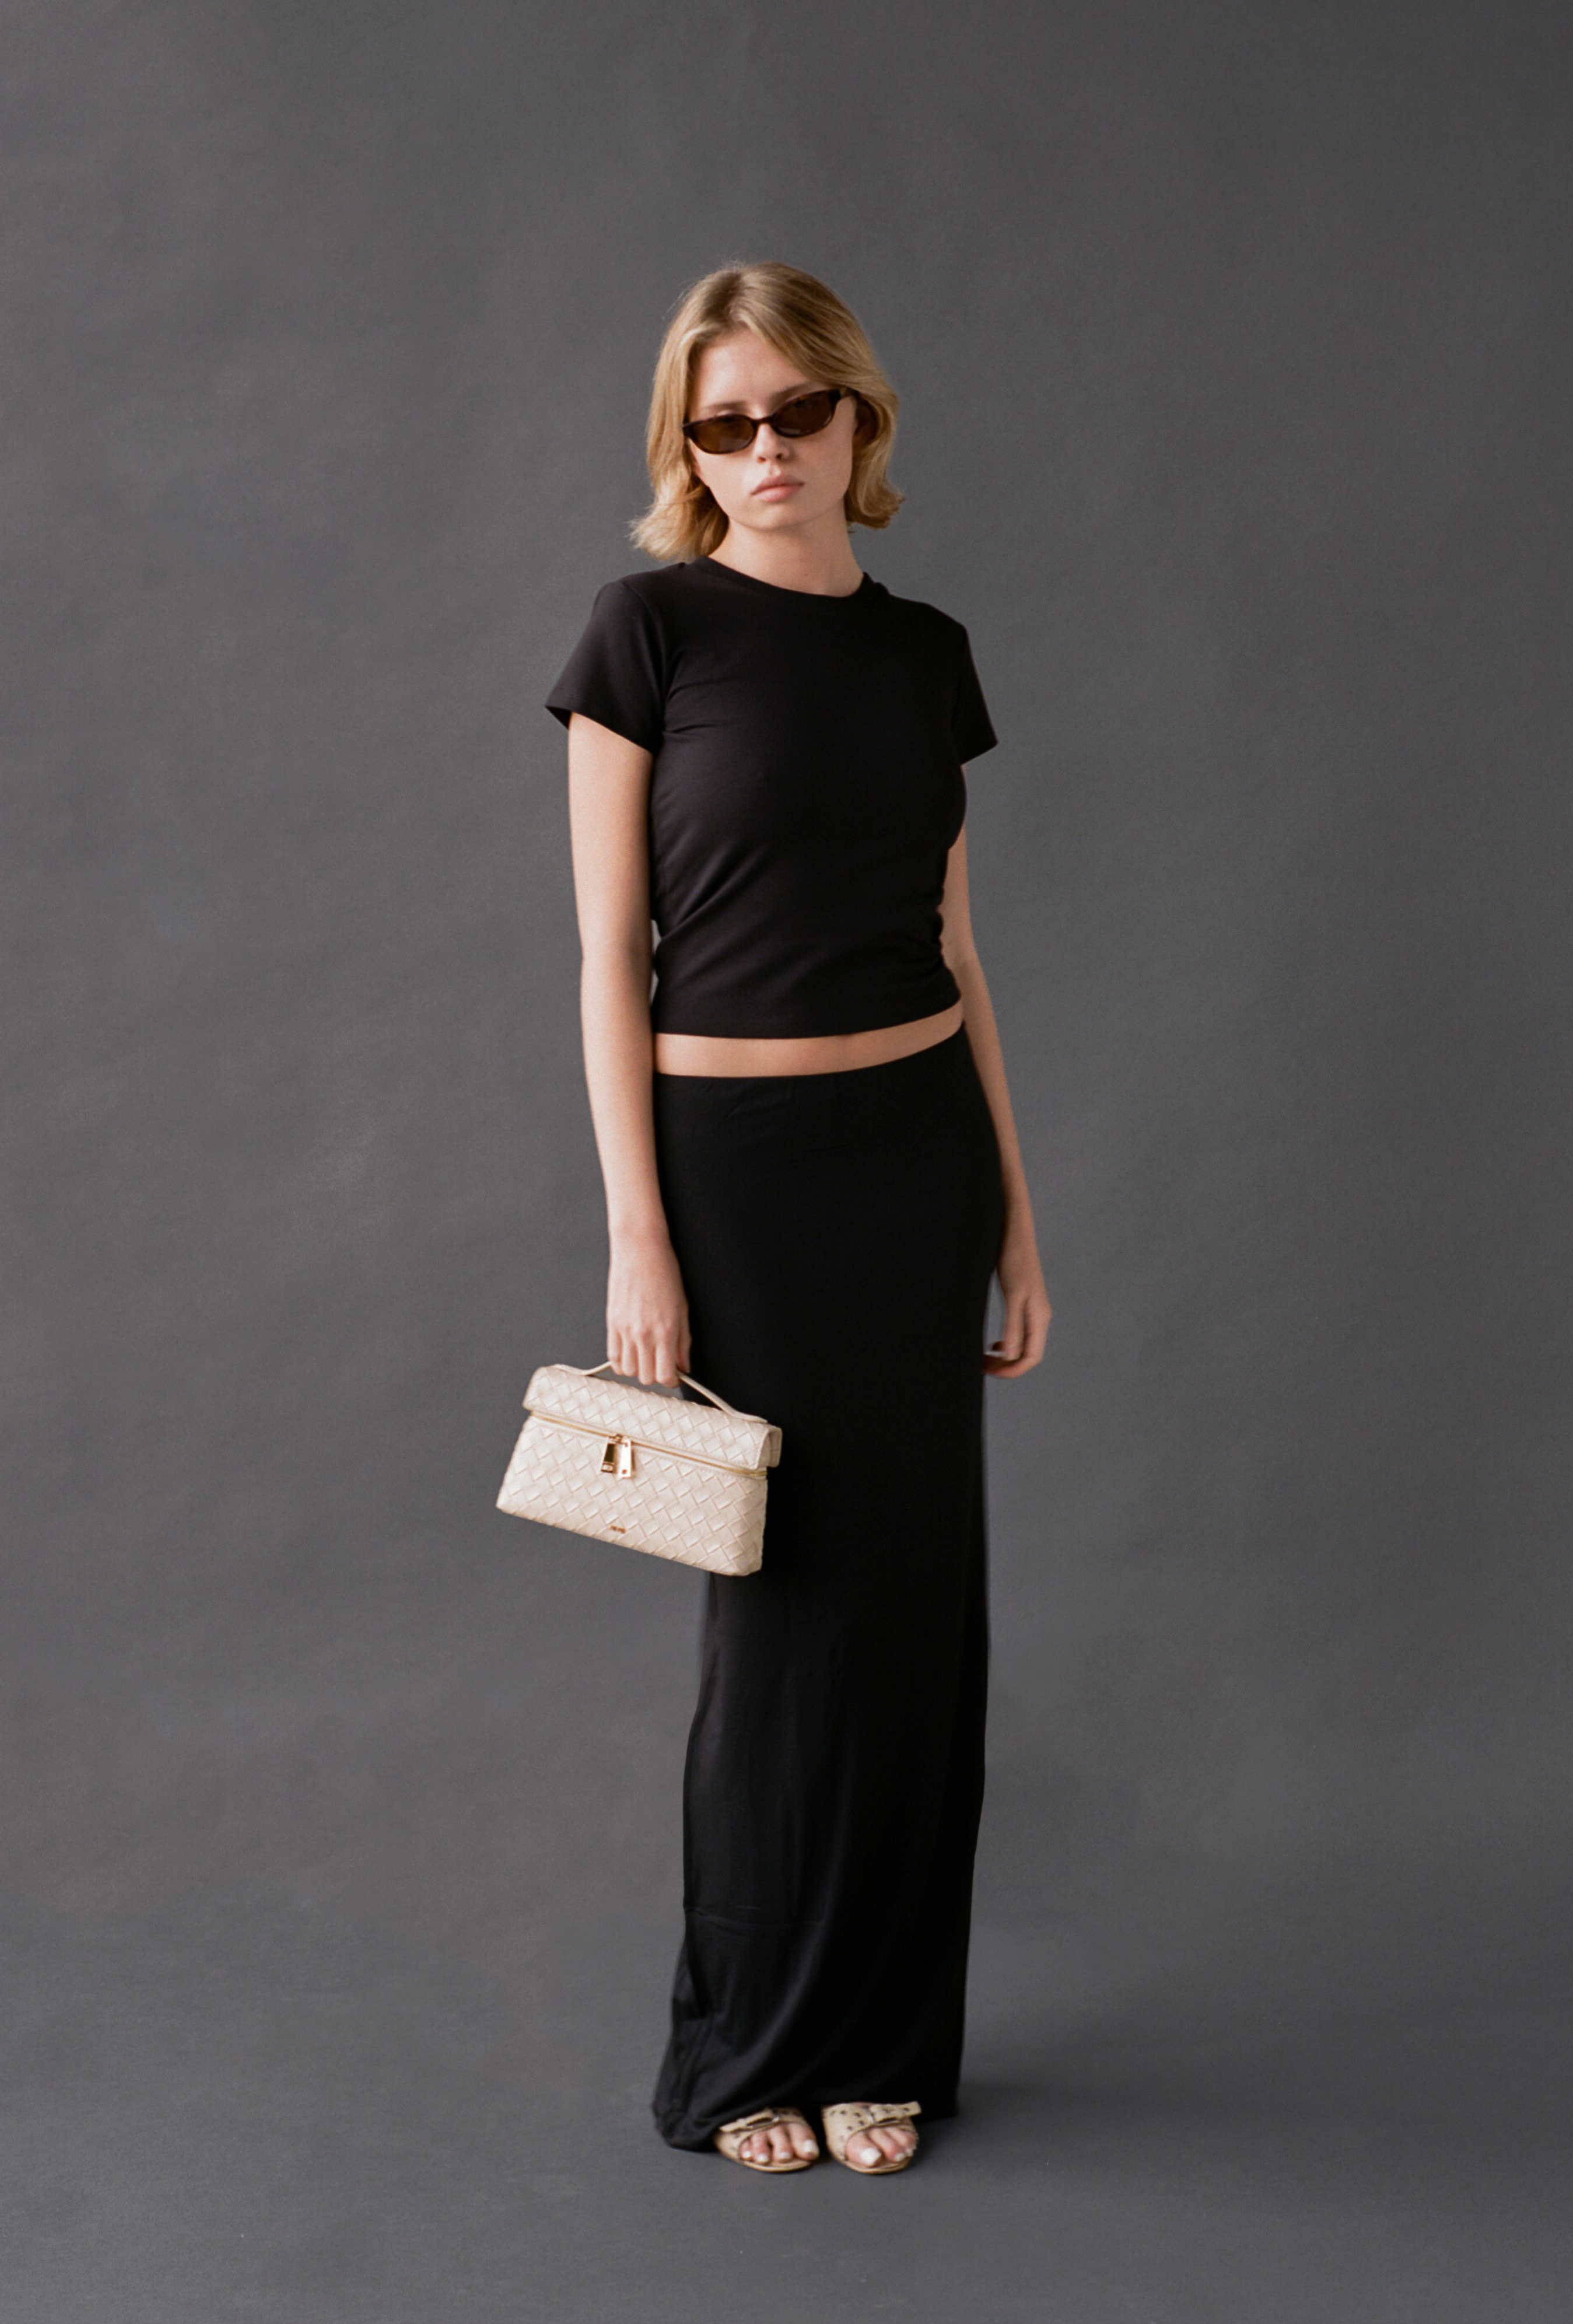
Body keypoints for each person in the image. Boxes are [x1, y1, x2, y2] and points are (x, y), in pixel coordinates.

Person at [544, 261, 1050, 2176]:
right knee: (779, 1627)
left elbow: (956, 947)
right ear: (687, 443)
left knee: (919, 1619)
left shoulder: (927, 654)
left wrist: (1017, 1211)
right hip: (734, 1186)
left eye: (798, 415)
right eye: (724, 423)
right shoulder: (646, 636)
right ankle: (751, 2050)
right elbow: (607, 961)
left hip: (916, 1165)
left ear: (860, 422)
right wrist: (637, 1238)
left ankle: (881, 2046)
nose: (767, 452)